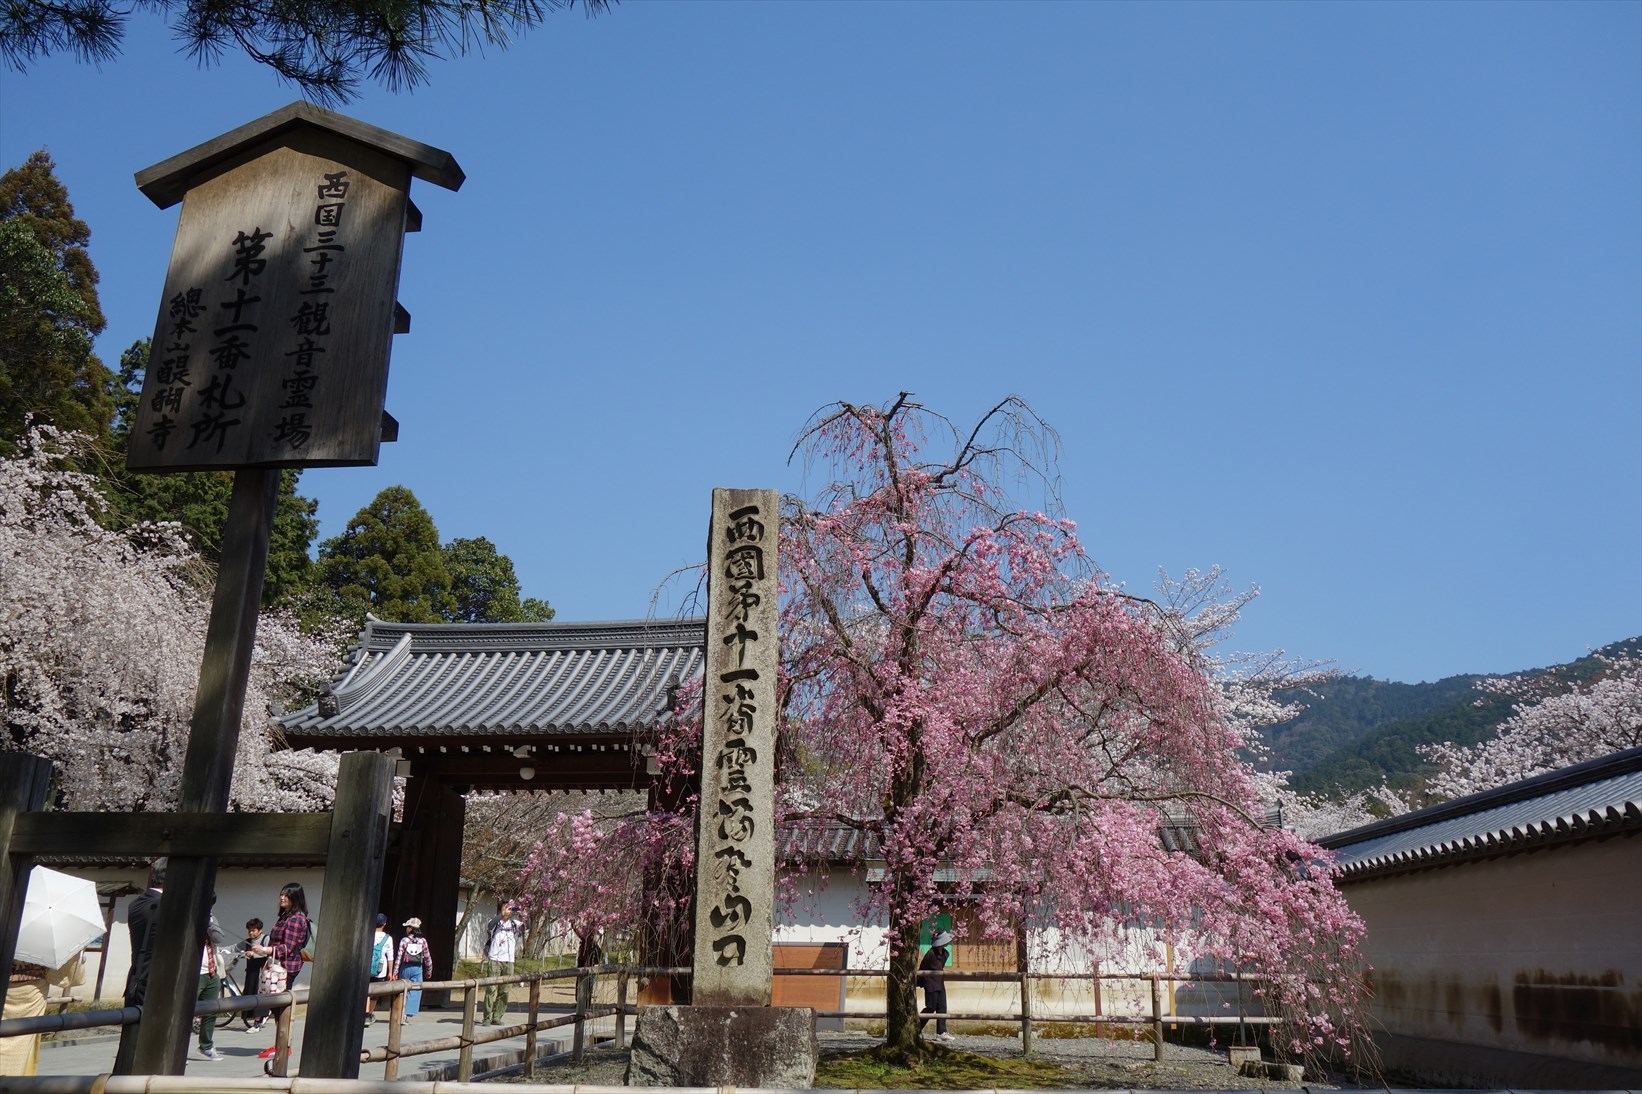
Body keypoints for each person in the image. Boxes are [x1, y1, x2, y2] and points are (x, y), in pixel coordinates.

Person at [113, 858, 166, 1074]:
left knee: (131, 1040)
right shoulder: (166, 906)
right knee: (151, 1044)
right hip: (158, 981)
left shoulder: (137, 904)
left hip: (137, 975)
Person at [2, 955, 85, 1076]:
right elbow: (65, 977)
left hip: (27, 995)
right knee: (22, 1046)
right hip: (31, 994)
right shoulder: (44, 940)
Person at [481, 901, 526, 1025]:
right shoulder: (495, 922)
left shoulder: (514, 924)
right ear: (500, 909)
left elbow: (527, 926)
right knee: (491, 988)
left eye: (510, 908)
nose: (509, 910)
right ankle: (487, 1017)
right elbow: (490, 925)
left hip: (509, 960)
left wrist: (522, 913)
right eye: (506, 908)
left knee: (505, 990)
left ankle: (497, 1016)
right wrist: (502, 915)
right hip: (495, 959)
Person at [196, 902, 228, 1061]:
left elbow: (218, 938)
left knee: (211, 1010)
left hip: (210, 971)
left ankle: (206, 1046)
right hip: (192, 973)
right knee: (184, 1012)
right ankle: (175, 1047)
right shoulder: (187, 918)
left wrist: (209, 922)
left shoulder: (211, 919)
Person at [393, 918, 432, 1022]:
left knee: (403, 989)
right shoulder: (423, 941)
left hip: (405, 967)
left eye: (407, 927)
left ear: (410, 928)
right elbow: (427, 957)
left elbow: (399, 957)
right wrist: (429, 970)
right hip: (417, 968)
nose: (406, 928)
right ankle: (407, 1013)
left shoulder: (404, 940)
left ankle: (401, 1013)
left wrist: (395, 972)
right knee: (415, 989)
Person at [919, 930, 954, 1042]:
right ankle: (916, 1028)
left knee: (942, 1007)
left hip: (939, 982)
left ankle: (941, 1032)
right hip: (930, 983)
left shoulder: (945, 954)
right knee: (930, 1007)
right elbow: (923, 967)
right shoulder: (930, 954)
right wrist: (921, 981)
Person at [236, 918, 269, 1032]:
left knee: (259, 995)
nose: (251, 933)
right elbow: (235, 948)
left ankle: (257, 1023)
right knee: (249, 994)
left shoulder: (266, 939)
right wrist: (220, 950)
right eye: (249, 930)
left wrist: (254, 954)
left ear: (260, 930)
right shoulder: (247, 941)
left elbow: (268, 952)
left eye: (253, 930)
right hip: (251, 972)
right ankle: (255, 1020)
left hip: (262, 972)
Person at [366, 913, 392, 1026]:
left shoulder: (368, 934)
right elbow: (390, 957)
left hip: (366, 967)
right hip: (380, 970)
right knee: (375, 993)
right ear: (384, 924)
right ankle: (369, 1014)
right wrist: (391, 972)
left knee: (365, 991)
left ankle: (364, 1013)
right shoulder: (388, 938)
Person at [573, 921, 603, 1013]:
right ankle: (583, 1001)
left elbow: (579, 933)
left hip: (587, 964)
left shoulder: (589, 941)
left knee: (586, 984)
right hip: (585, 963)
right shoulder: (588, 941)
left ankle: (584, 1002)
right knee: (585, 984)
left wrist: (574, 925)